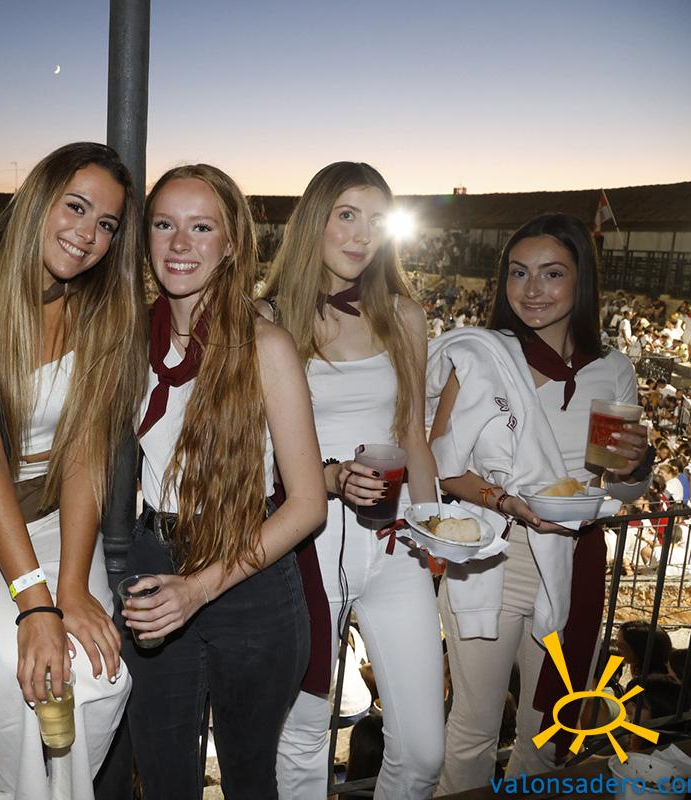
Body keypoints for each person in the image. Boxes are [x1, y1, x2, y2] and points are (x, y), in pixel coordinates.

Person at [0, 142, 144, 800]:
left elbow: (84, 453)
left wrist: (69, 586)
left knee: (102, 677)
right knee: (12, 654)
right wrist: (35, 604)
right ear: (37, 200)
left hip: (54, 515)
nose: (88, 234)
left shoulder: (99, 307)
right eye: (76, 207)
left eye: (106, 223)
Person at [120, 164, 326, 799]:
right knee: (163, 777)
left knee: (248, 776)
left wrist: (199, 589)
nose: (180, 243)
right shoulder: (126, 340)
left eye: (201, 227)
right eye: (164, 225)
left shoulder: (265, 346)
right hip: (155, 561)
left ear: (232, 242)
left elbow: (308, 504)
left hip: (250, 573)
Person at [428, 213, 651, 791]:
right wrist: (506, 500)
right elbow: (445, 466)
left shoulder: (613, 370)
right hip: (496, 558)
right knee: (473, 730)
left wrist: (634, 469)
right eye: (518, 272)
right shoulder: (481, 358)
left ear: (581, 281)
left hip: (576, 561)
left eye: (552, 274)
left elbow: (617, 489)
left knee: (547, 734)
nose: (532, 290)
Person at [259, 162, 443, 799]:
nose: (363, 235)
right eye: (347, 215)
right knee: (303, 742)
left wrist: (434, 528)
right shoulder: (265, 318)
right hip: (305, 547)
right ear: (315, 220)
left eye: (377, 220)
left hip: (396, 546)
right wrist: (330, 477)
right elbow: (251, 452)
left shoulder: (404, 315)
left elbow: (413, 433)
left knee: (423, 752)